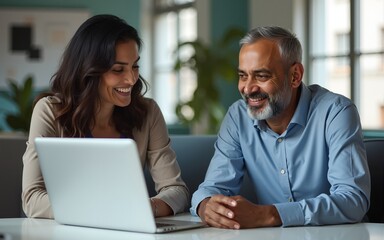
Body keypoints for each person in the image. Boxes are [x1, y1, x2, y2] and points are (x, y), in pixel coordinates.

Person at [191, 26, 370, 229]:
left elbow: (353, 201)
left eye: (261, 76)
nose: (248, 88)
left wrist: (269, 214)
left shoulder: (336, 112)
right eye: (243, 76)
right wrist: (206, 206)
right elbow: (211, 189)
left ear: (295, 76)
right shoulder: (238, 116)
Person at [22, 14, 189, 218]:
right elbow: (32, 199)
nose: (131, 79)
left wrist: (146, 207)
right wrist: (103, 210)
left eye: (135, 66)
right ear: (89, 70)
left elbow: (177, 191)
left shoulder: (148, 113)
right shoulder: (49, 111)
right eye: (118, 69)